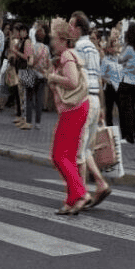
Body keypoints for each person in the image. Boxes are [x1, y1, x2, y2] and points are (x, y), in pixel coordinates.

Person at [45, 18, 90, 215]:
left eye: (53, 38)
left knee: (58, 156)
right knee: (68, 156)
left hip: (73, 109)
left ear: (62, 39)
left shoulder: (66, 56)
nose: (51, 42)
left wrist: (54, 78)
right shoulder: (69, 54)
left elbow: (71, 81)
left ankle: (80, 194)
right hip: (77, 107)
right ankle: (72, 199)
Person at [69, 11, 112, 207]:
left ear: (78, 28)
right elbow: (99, 77)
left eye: (71, 25)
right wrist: (101, 106)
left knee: (78, 150)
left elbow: (77, 78)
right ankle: (99, 184)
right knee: (85, 148)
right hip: (95, 99)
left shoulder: (79, 47)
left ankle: (82, 192)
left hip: (84, 100)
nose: (69, 30)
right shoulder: (94, 48)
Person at [117, 22, 135, 144]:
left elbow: (119, 59)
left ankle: (128, 136)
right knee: (132, 108)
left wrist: (123, 47)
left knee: (125, 109)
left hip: (126, 81)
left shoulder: (128, 48)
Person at [24, 24, 50, 130]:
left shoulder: (32, 47)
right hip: (42, 75)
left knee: (29, 98)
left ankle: (29, 121)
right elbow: (48, 64)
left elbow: (29, 62)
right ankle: (38, 122)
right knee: (39, 99)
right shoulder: (46, 49)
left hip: (30, 73)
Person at [100, 30, 121, 126]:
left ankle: (124, 133)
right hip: (109, 87)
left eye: (117, 46)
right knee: (109, 111)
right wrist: (108, 81)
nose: (117, 48)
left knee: (122, 110)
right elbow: (102, 75)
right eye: (114, 46)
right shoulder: (105, 60)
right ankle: (110, 131)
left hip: (119, 87)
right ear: (109, 48)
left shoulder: (118, 59)